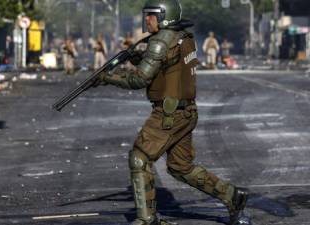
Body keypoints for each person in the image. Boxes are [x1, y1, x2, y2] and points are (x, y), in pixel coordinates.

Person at [95, 0, 248, 224]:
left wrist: (106, 77)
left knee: (140, 159)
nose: (146, 19)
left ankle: (147, 220)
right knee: (180, 167)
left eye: (151, 15)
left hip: (169, 114)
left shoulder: (161, 41)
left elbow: (138, 79)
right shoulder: (183, 37)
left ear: (165, 16)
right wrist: (140, 57)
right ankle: (232, 196)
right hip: (186, 112)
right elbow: (168, 66)